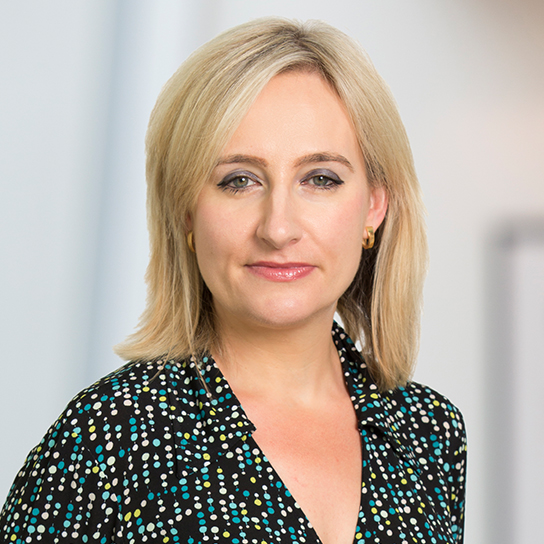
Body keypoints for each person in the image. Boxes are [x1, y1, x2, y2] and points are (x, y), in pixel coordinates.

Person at [0, 17, 466, 544]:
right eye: (239, 180)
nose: (278, 228)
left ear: (374, 206)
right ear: (186, 212)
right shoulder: (108, 434)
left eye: (320, 179)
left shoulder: (430, 431)